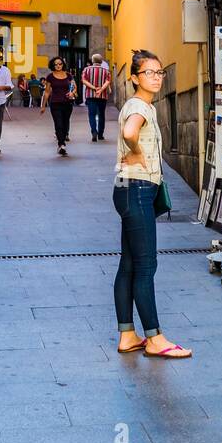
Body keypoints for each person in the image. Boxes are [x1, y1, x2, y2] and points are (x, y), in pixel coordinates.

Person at [113, 49, 191, 359]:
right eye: (149, 73)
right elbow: (130, 131)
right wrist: (135, 152)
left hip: (127, 189)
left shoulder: (143, 105)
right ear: (134, 77)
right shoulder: (139, 107)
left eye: (159, 73)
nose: (156, 78)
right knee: (146, 266)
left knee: (129, 264)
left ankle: (127, 335)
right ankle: (155, 338)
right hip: (137, 189)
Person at [39, 57, 76, 156]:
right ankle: (61, 144)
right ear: (53, 65)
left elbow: (74, 87)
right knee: (58, 123)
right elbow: (46, 92)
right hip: (55, 103)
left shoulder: (68, 76)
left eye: (60, 64)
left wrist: (72, 93)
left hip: (67, 103)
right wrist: (43, 106)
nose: (58, 66)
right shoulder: (50, 77)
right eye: (56, 64)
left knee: (65, 124)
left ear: (63, 64)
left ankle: (62, 140)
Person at [82, 52, 112, 142]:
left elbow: (84, 80)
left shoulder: (86, 70)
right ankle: (101, 134)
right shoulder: (106, 71)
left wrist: (94, 88)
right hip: (102, 96)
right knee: (101, 114)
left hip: (90, 95)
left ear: (92, 60)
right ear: (101, 61)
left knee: (92, 114)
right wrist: (101, 89)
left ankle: (94, 132)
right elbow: (108, 82)